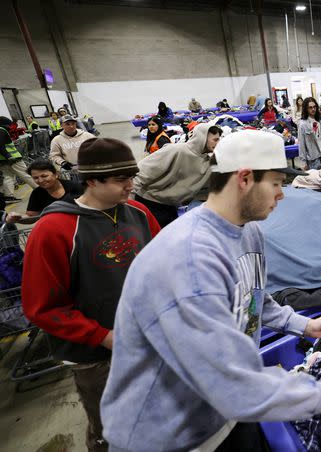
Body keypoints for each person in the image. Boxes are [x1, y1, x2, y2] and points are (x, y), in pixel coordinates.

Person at [100, 131, 321, 450]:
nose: (282, 194)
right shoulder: (189, 261)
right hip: (168, 435)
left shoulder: (248, 233)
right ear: (244, 178)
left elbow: (254, 300)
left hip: (223, 414)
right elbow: (228, 384)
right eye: (275, 183)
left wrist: (305, 325)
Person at [22, 138, 160, 452]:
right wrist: (102, 336)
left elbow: (162, 265)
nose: (131, 185)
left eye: (132, 176)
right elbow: (42, 307)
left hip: (145, 340)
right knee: (110, 428)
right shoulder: (54, 229)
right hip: (95, 357)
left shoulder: (138, 213)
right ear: (92, 181)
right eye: (121, 179)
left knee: (151, 414)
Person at [134, 123, 221, 227]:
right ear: (202, 138)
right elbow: (142, 171)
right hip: (149, 201)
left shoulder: (208, 161)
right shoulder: (176, 150)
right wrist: (129, 202)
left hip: (169, 205)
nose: (219, 143)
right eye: (215, 140)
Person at [5, 159, 83, 224]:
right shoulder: (37, 194)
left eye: (44, 176)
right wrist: (18, 217)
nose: (40, 180)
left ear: (56, 174)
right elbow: (31, 216)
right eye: (35, 178)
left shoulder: (75, 187)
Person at [0, 116, 37, 202]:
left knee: (7, 176)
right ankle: (40, 189)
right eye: (9, 124)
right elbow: (0, 145)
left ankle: (8, 196)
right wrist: (8, 156)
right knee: (25, 174)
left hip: (2, 160)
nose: (10, 127)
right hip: (12, 158)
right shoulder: (2, 130)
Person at [297, 97, 321, 170]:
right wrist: (303, 162)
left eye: (314, 107)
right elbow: (301, 144)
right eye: (310, 107)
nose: (313, 109)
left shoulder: (319, 121)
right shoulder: (303, 124)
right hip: (312, 159)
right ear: (306, 109)